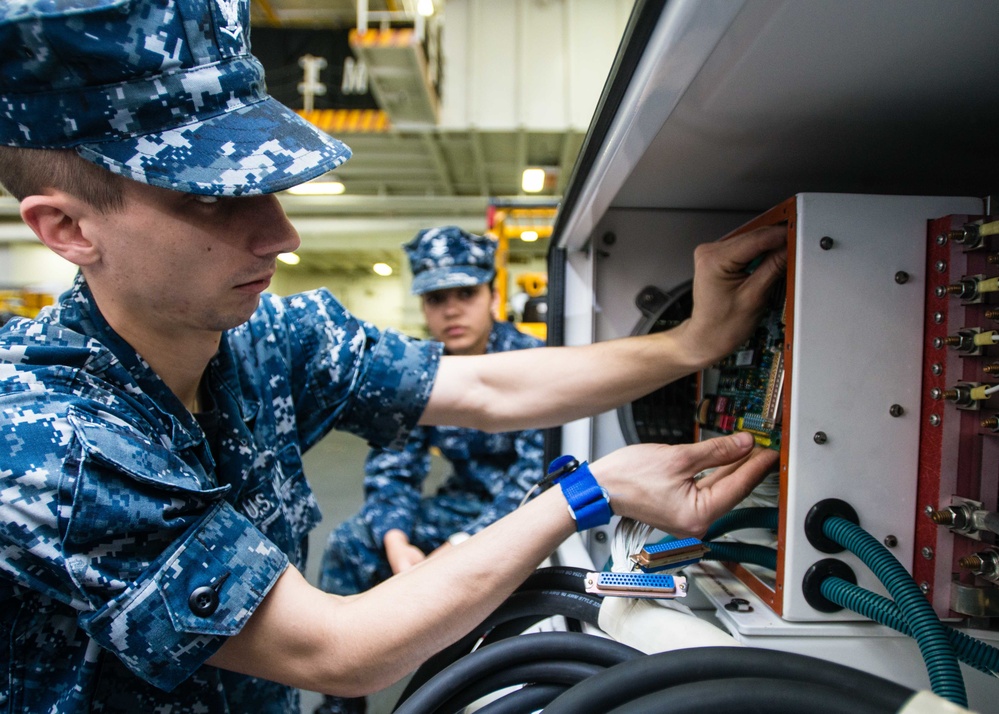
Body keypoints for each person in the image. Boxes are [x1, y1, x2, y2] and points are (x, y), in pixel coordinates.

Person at [0, 2, 786, 712]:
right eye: (210, 197)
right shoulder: (41, 441)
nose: (280, 235)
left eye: (269, 188)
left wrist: (691, 343)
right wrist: (589, 492)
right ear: (68, 229)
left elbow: (483, 388)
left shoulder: (264, 338)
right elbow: (336, 649)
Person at [316, 227, 545, 714]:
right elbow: (394, 465)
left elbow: (532, 480)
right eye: (437, 297)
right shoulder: (420, 370)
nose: (452, 309)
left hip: (525, 512)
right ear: (423, 306)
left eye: (467, 293)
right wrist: (399, 544)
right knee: (351, 542)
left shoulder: (531, 362)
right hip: (459, 503)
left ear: (493, 295)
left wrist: (457, 551)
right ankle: (341, 704)